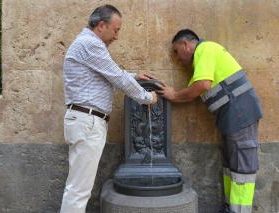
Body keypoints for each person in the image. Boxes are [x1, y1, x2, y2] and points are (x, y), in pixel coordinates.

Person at [60, 5, 157, 213]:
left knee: (78, 188)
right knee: (79, 191)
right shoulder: (90, 44)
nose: (117, 36)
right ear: (101, 25)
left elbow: (108, 73)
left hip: (86, 121)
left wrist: (133, 76)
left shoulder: (88, 44)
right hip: (88, 122)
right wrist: (147, 97)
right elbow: (116, 77)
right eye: (116, 29)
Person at [157, 29, 262, 213]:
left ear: (186, 45)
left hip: (240, 113)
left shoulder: (204, 50)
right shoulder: (203, 56)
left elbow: (201, 85)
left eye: (176, 51)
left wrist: (174, 94)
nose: (177, 58)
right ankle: (230, 208)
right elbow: (198, 86)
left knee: (241, 168)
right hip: (234, 115)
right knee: (232, 165)